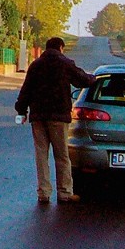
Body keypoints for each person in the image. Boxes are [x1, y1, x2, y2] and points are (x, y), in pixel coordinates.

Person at [15, 37, 96, 204]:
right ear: (61, 47)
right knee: (62, 156)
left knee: (41, 155)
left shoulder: (35, 65)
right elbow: (83, 80)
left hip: (38, 117)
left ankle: (43, 193)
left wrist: (21, 110)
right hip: (58, 117)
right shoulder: (65, 63)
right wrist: (95, 78)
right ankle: (65, 192)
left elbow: (26, 90)